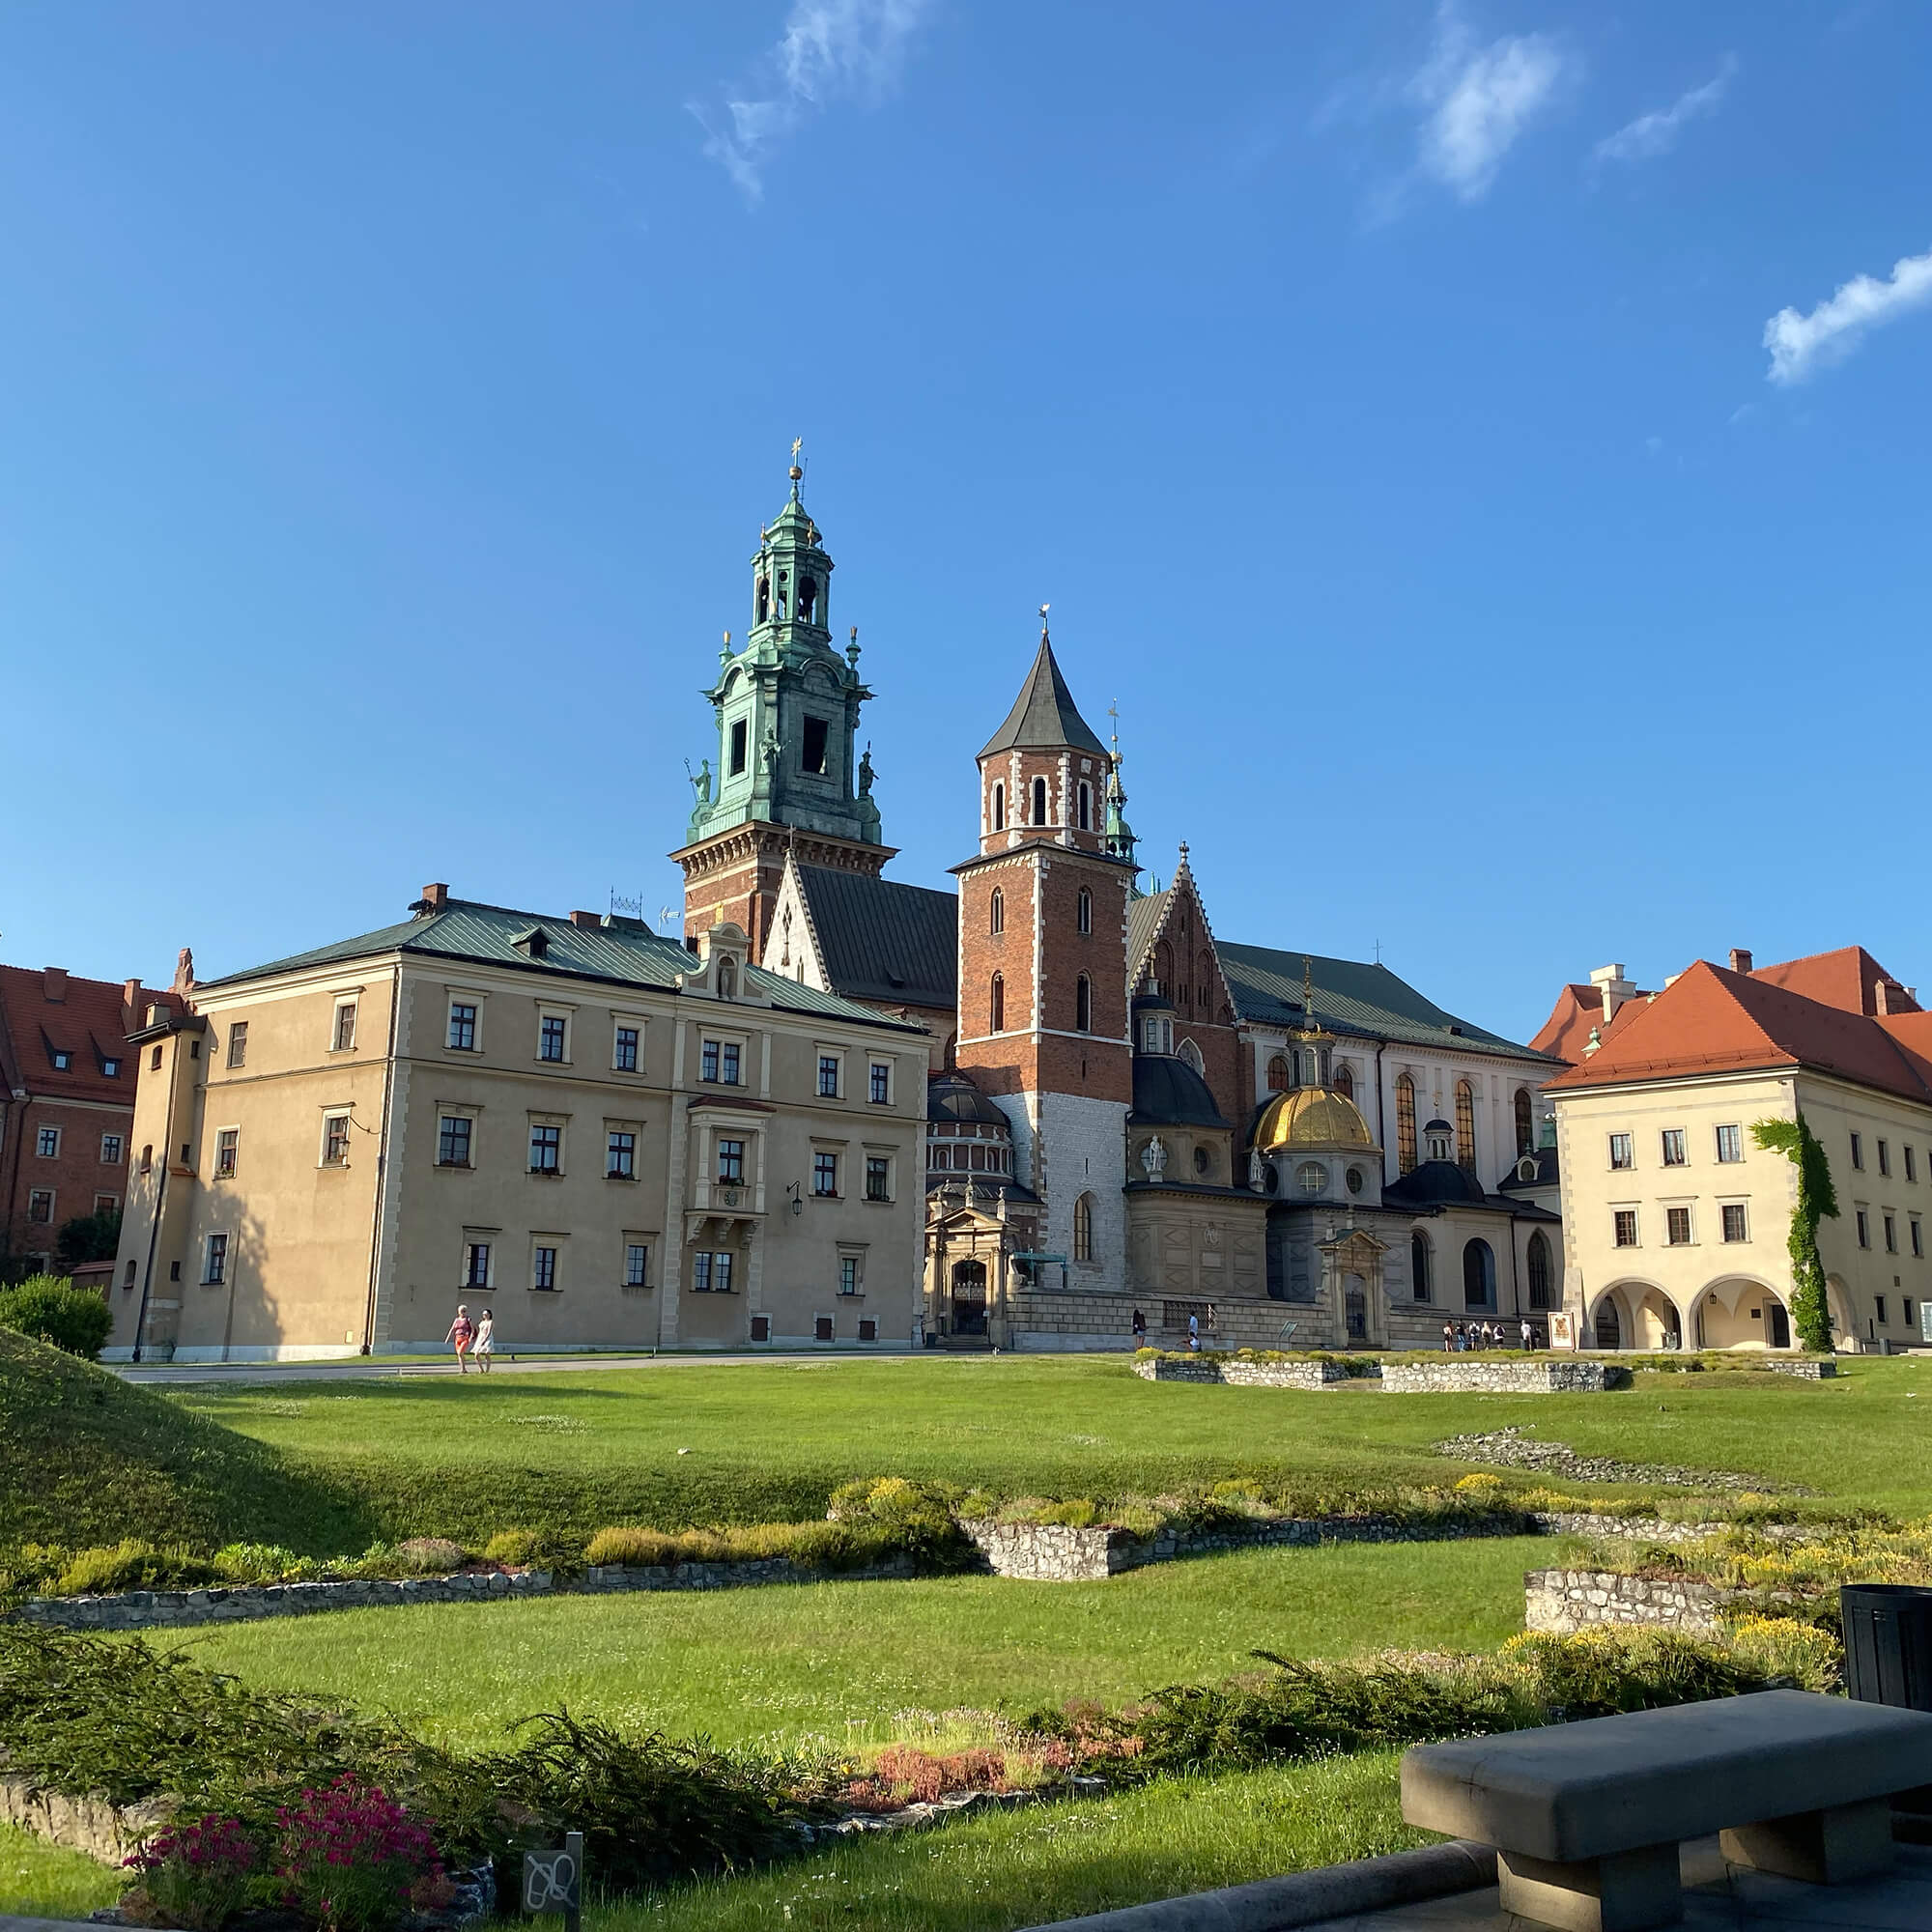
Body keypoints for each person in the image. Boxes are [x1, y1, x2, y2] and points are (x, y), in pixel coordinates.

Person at [445, 1304, 474, 1374]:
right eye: (461, 1311)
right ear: (458, 1312)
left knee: (460, 1352)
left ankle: (463, 1368)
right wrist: (447, 1338)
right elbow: (452, 1329)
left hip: (465, 1337)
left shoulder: (468, 1319)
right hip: (457, 1338)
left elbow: (473, 1329)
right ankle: (463, 1369)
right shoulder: (456, 1320)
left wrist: (470, 1337)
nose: (462, 1312)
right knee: (459, 1354)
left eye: (464, 1311)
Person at [473, 1308, 495, 1374]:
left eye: (486, 1314)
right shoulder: (482, 1322)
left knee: (487, 1354)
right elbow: (479, 1331)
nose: (484, 1315)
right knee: (476, 1354)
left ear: (489, 1314)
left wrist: (485, 1340)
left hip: (488, 1339)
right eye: (483, 1314)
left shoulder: (490, 1322)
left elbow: (489, 1332)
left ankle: (487, 1370)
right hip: (480, 1338)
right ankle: (481, 1369)